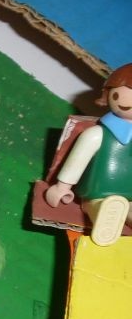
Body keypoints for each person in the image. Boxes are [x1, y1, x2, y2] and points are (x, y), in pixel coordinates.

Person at [45, 63, 132, 246]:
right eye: (117, 95)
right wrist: (62, 187)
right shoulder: (97, 134)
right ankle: (105, 218)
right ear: (108, 95)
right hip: (98, 191)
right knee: (99, 207)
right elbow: (77, 161)